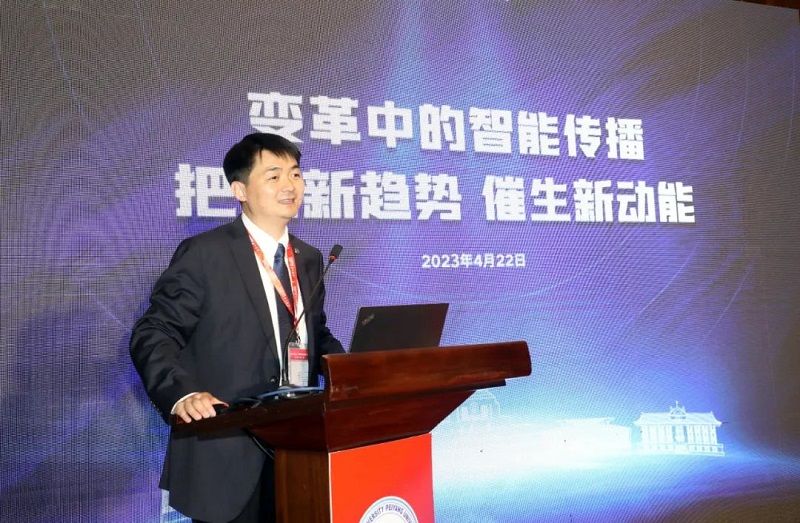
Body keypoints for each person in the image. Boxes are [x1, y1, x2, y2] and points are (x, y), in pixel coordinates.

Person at [130, 132, 344, 522]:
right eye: (274, 176)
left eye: (295, 174)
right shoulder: (205, 253)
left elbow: (314, 334)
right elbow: (154, 332)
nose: (290, 186)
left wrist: (353, 371)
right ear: (240, 190)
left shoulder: (310, 259)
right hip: (226, 450)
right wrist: (182, 394)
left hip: (298, 449)